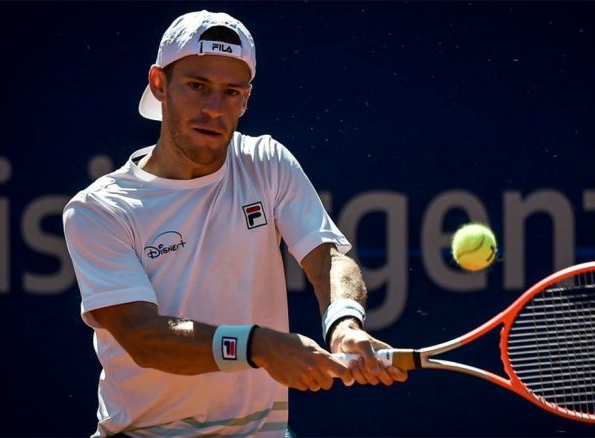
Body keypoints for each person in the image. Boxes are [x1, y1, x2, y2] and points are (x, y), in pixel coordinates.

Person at [62, 10, 407, 437]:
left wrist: (344, 323)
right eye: (197, 86)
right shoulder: (99, 209)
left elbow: (328, 260)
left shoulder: (266, 162)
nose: (213, 108)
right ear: (159, 84)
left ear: (245, 99)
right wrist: (257, 345)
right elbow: (143, 336)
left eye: (230, 92)